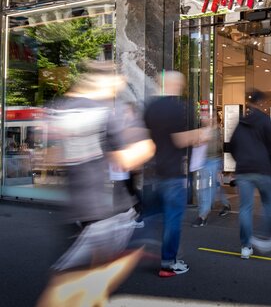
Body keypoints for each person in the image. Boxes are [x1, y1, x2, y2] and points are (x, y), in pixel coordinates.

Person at [37, 61, 155, 307]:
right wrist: (114, 155)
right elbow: (142, 151)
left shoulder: (60, 108)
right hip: (108, 213)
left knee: (75, 281)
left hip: (76, 211)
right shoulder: (111, 111)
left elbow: (49, 157)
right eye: (118, 83)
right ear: (108, 82)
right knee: (69, 289)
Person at [144, 70, 211, 277]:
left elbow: (146, 137)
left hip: (157, 170)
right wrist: (203, 132)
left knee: (156, 213)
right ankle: (168, 263)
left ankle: (140, 244)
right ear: (173, 85)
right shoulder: (175, 107)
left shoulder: (151, 107)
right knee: (173, 219)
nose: (181, 87)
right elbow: (180, 140)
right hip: (174, 173)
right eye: (180, 83)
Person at [229, 90, 271, 259]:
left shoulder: (241, 123)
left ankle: (245, 247)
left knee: (245, 208)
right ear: (261, 103)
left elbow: (232, 146)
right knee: (268, 203)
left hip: (244, 171)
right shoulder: (264, 121)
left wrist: (241, 161)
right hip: (263, 170)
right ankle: (268, 237)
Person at [192, 112, 231, 227]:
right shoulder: (203, 131)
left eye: (211, 117)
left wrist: (222, 167)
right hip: (204, 162)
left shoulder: (218, 131)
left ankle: (203, 215)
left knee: (210, 187)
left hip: (215, 161)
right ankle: (225, 204)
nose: (208, 119)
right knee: (213, 186)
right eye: (206, 117)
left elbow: (220, 148)